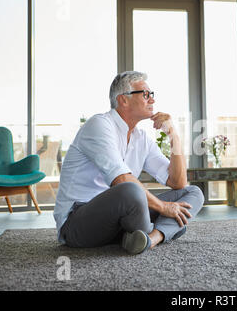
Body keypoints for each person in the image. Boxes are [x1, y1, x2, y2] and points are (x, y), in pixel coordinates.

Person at [53, 71, 204, 254]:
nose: (152, 101)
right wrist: (164, 207)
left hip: (120, 221)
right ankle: (164, 230)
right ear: (123, 100)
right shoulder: (99, 125)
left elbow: (177, 182)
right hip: (77, 223)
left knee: (192, 192)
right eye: (146, 95)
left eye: (152, 95)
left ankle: (150, 238)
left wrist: (174, 136)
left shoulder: (141, 138)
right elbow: (121, 180)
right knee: (130, 189)